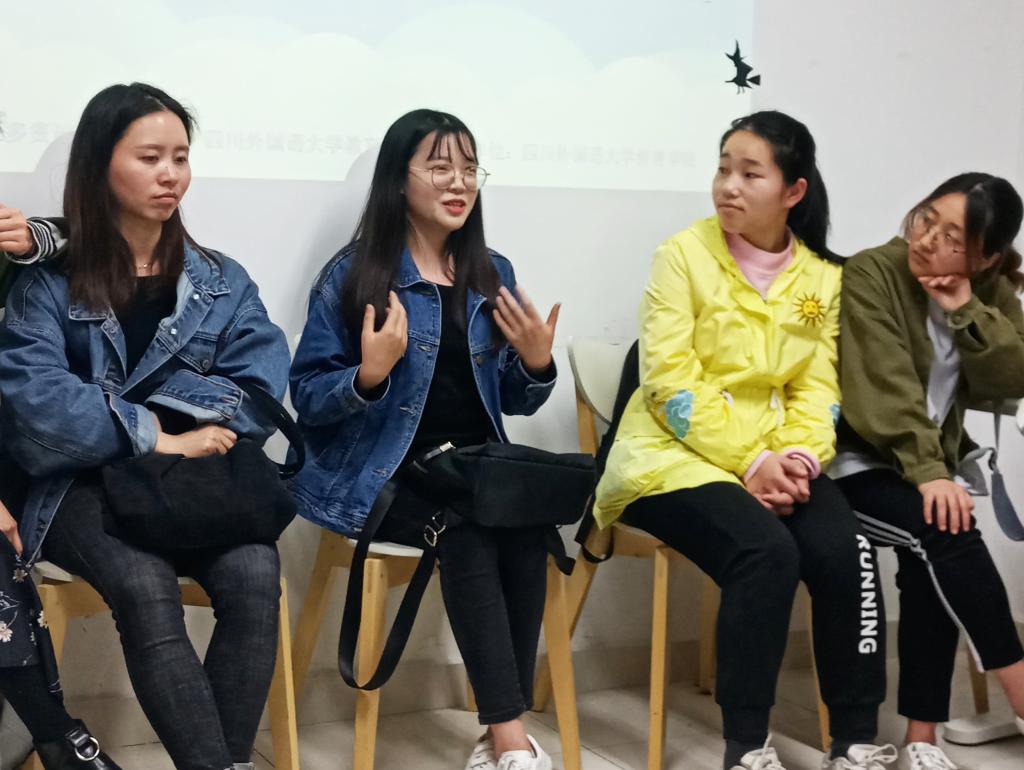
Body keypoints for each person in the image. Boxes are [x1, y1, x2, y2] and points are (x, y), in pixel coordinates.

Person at [0, 83, 290, 770]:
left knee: (256, 573)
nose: (170, 175)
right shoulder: (47, 282)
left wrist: (162, 434)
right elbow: (37, 404)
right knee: (144, 586)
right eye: (150, 157)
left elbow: (259, 390)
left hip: (190, 485)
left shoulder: (222, 281)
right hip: (78, 486)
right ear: (100, 165)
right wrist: (156, 432)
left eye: (180, 157)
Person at [592, 111, 893, 770]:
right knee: (765, 551)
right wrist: (751, 461)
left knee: (846, 548)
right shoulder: (681, 256)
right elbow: (668, 383)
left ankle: (853, 740)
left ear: (793, 191)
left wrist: (798, 460)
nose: (728, 184)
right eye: (723, 168)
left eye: (750, 173)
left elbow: (818, 389)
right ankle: (747, 746)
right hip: (669, 457)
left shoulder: (823, 280)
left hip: (777, 459)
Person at [289, 109, 559, 770]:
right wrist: (368, 376)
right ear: (398, 178)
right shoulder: (355, 275)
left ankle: (500, 732)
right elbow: (308, 397)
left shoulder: (491, 271)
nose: (458, 182)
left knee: (526, 526)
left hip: (474, 469)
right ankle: (509, 737)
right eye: (439, 167)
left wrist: (535, 363)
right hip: (384, 475)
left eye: (468, 168)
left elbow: (513, 399)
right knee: (463, 528)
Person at [833, 172, 1024, 770]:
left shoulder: (990, 291)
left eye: (952, 238)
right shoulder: (873, 272)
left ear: (984, 257)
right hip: (855, 461)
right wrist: (930, 472)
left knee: (936, 542)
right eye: (926, 218)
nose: (926, 240)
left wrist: (966, 309)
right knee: (943, 528)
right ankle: (1020, 695)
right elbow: (885, 387)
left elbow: (1013, 377)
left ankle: (922, 740)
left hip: (925, 466)